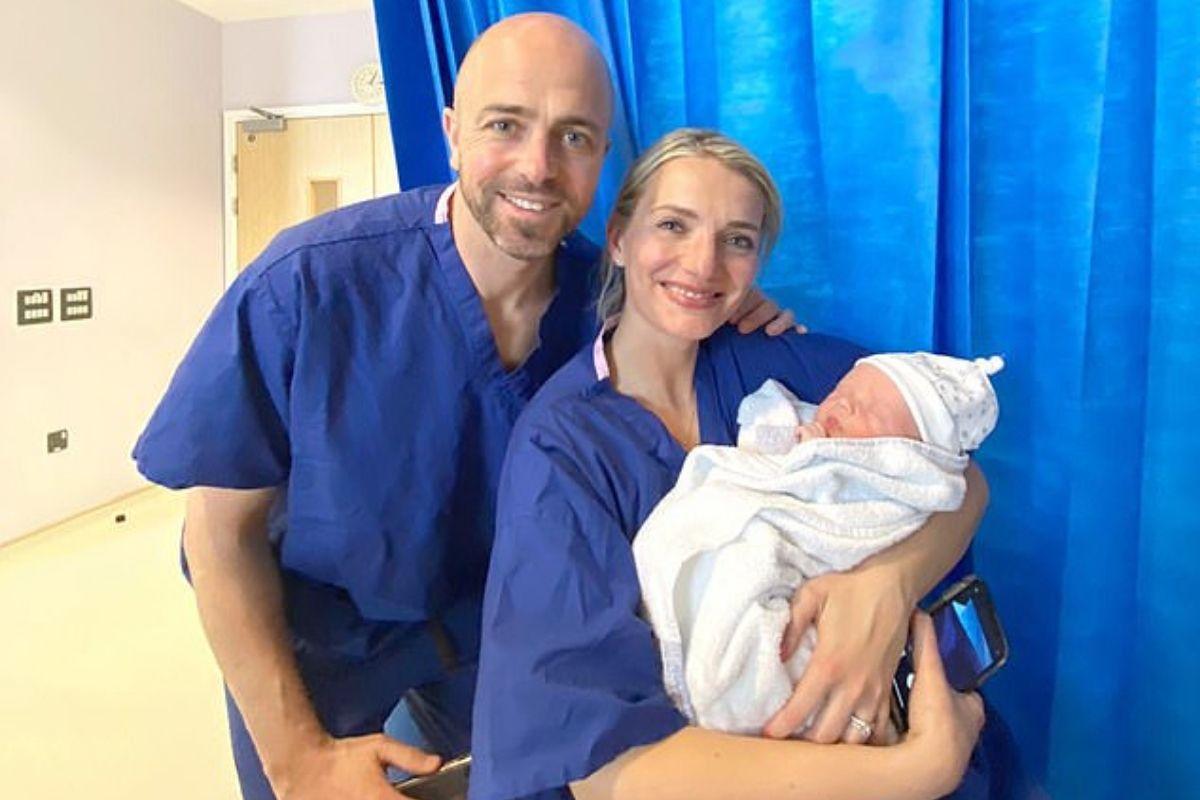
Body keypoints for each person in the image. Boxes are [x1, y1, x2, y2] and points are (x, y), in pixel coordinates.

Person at [132, 13, 794, 800]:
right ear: (450, 134)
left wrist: (725, 304)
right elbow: (218, 534)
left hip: (493, 643)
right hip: (317, 646)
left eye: (574, 137)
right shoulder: (307, 286)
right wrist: (296, 757)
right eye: (505, 125)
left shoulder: (616, 303)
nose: (538, 167)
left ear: (603, 159)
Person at [470, 128, 990, 800]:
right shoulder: (563, 448)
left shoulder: (789, 365)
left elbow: (957, 477)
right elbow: (602, 770)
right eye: (673, 225)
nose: (703, 263)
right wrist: (916, 773)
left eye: (737, 240)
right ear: (620, 238)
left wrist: (885, 586)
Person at [632, 353, 1005, 735]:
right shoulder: (594, 439)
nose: (844, 404)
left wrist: (891, 581)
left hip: (810, 639)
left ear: (907, 458)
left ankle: (741, 691)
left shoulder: (885, 482)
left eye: (871, 411)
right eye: (841, 391)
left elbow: (967, 486)